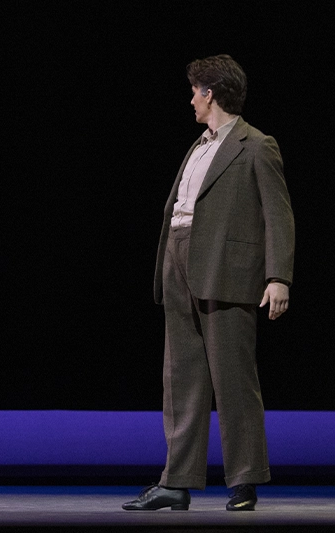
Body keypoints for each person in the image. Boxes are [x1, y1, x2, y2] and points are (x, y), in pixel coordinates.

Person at [124, 54, 293, 512]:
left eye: (195, 90)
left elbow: (278, 215)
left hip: (226, 269)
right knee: (180, 379)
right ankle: (176, 482)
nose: (191, 99)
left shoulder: (256, 145)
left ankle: (245, 481)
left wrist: (279, 276)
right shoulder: (199, 144)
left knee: (234, 380)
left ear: (210, 93)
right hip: (179, 260)